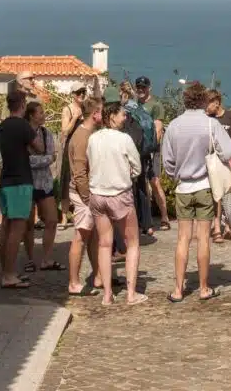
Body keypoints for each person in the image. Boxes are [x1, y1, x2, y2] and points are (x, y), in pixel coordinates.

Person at [162, 81, 231, 303]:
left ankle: (177, 289)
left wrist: (178, 173)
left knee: (183, 238)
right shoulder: (211, 124)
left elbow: (167, 162)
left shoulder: (173, 126)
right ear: (203, 100)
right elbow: (229, 151)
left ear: (185, 100)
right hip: (204, 186)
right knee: (203, 238)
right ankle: (204, 288)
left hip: (183, 187)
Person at [87, 97, 147, 306]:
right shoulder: (124, 139)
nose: (125, 117)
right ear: (112, 117)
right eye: (122, 113)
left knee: (104, 244)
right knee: (132, 243)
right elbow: (137, 168)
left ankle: (107, 295)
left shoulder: (93, 139)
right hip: (119, 193)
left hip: (97, 194)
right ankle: (131, 293)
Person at [0, 89, 42, 289]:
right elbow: (39, 147)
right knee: (17, 228)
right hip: (20, 181)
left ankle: (7, 270)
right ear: (22, 105)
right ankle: (8, 275)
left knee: (5, 227)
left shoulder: (3, 126)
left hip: (5, 180)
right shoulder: (23, 126)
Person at [68, 96, 103, 296]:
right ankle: (74, 282)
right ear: (95, 114)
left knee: (93, 237)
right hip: (83, 194)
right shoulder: (82, 137)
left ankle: (98, 275)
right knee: (80, 237)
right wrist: (88, 198)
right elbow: (80, 172)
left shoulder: (87, 133)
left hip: (86, 192)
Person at [22, 101, 64, 273]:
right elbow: (28, 160)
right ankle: (30, 259)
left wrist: (42, 159)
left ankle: (47, 258)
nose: (44, 115)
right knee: (28, 224)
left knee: (52, 220)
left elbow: (52, 156)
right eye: (40, 112)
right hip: (28, 181)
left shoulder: (46, 133)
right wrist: (44, 160)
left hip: (45, 182)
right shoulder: (23, 133)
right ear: (31, 115)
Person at [135, 76, 171, 231]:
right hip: (137, 150)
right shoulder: (134, 105)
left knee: (155, 182)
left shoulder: (156, 105)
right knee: (140, 185)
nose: (141, 90)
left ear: (149, 88)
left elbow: (158, 129)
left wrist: (150, 148)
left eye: (143, 87)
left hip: (151, 151)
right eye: (138, 87)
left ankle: (164, 216)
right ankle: (143, 218)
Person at [206, 90, 231, 242]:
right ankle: (216, 228)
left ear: (217, 102)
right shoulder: (208, 119)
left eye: (209, 103)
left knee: (229, 194)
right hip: (215, 162)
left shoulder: (229, 116)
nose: (206, 107)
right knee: (216, 195)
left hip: (230, 160)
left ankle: (228, 227)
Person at [120, 82, 151, 240]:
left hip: (128, 158)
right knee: (141, 189)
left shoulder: (124, 111)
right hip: (141, 154)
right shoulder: (139, 109)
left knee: (131, 193)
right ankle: (145, 224)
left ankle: (132, 228)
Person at [59, 83, 87, 224]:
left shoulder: (86, 109)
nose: (81, 94)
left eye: (83, 91)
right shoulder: (68, 110)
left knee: (81, 180)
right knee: (66, 182)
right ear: (73, 94)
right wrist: (75, 117)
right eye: (78, 92)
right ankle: (64, 216)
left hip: (84, 150)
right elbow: (65, 131)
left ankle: (78, 212)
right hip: (70, 150)